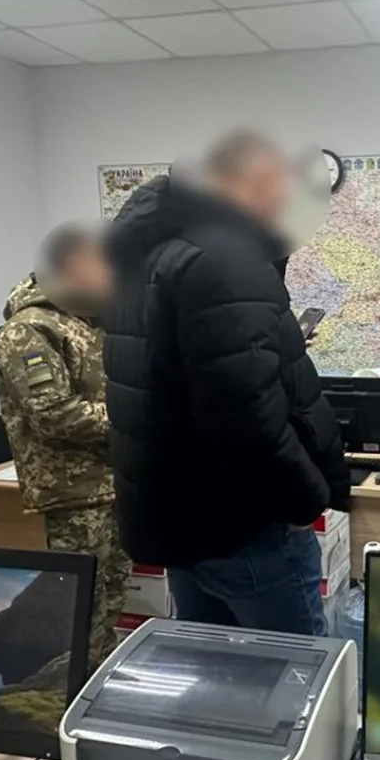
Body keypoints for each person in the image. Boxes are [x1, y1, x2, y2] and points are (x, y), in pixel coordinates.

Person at [103, 130, 349, 635]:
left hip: (184, 519)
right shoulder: (225, 261)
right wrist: (305, 498)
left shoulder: (150, 255)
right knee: (297, 671)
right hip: (244, 525)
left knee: (214, 667)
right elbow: (247, 414)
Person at [0, 221, 130, 668]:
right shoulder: (28, 331)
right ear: (73, 266)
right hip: (74, 493)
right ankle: (74, 692)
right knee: (80, 606)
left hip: (112, 482)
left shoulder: (88, 321)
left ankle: (98, 680)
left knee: (112, 594)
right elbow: (53, 414)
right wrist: (136, 417)